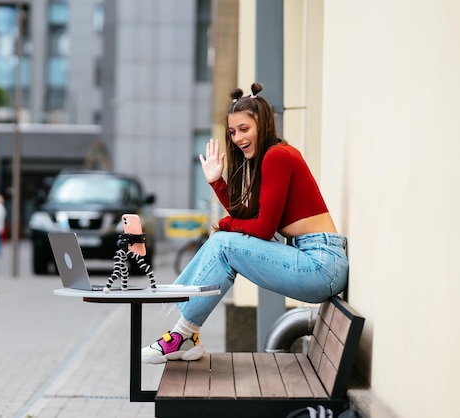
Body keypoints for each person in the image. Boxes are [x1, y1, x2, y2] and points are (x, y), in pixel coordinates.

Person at [142, 83, 349, 364]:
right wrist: (217, 181)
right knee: (222, 241)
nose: (238, 138)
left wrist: (225, 225)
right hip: (316, 260)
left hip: (320, 264)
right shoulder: (273, 157)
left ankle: (184, 332)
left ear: (262, 125)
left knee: (223, 242)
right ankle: (184, 330)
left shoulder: (278, 156)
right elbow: (251, 218)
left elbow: (261, 230)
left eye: (244, 129)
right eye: (232, 132)